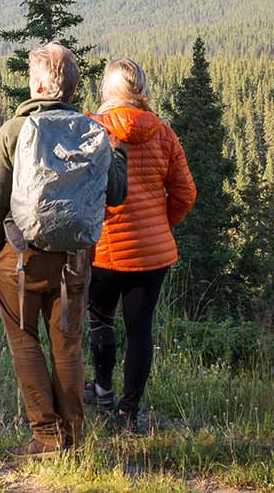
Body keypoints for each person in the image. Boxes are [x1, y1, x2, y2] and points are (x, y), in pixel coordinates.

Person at [0, 43, 129, 457]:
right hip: (74, 261)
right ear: (70, 87)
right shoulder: (92, 131)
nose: (31, 81)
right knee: (66, 344)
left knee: (24, 339)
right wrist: (116, 156)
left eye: (33, 75)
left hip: (21, 257)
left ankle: (46, 437)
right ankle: (74, 437)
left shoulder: (14, 130)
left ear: (43, 83)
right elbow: (116, 193)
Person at [84, 57, 196, 433]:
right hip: (153, 254)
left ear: (107, 90)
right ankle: (128, 412)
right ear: (142, 90)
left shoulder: (92, 129)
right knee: (140, 330)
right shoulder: (163, 133)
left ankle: (102, 391)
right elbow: (185, 194)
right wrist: (160, 224)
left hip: (103, 249)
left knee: (100, 320)